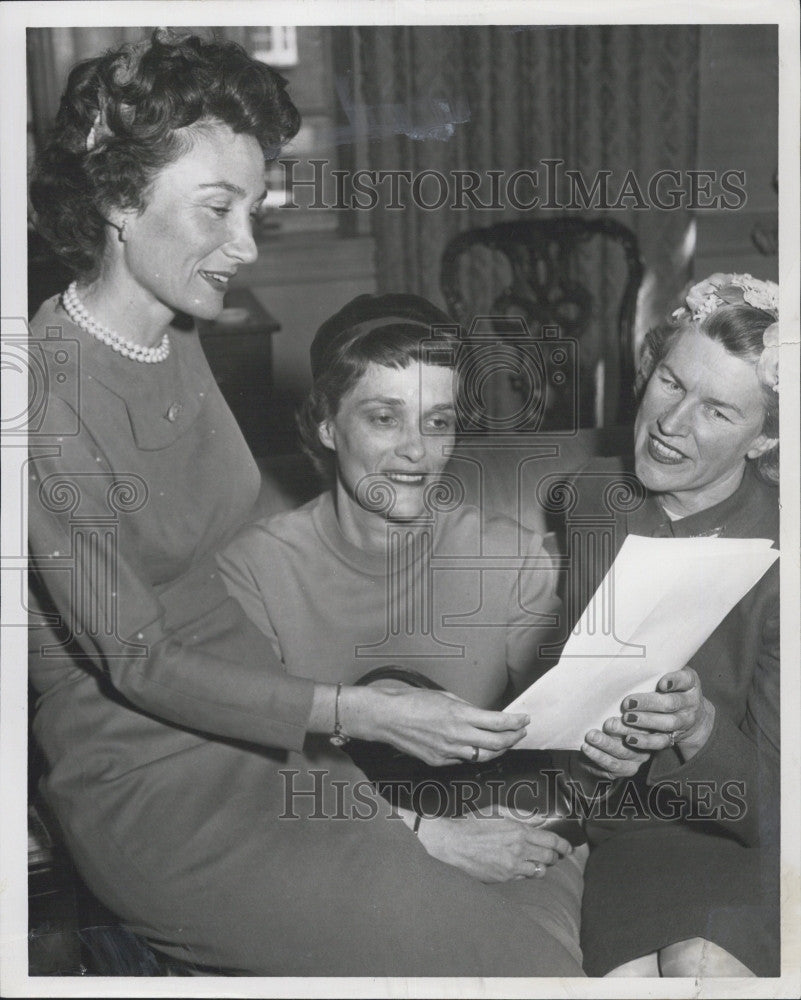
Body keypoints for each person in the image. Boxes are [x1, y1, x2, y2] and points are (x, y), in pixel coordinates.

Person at [26, 31, 583, 976]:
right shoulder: (38, 398)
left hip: (273, 741)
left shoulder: (176, 329)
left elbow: (223, 575)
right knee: (510, 968)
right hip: (159, 791)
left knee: (537, 905)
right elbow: (145, 663)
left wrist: (372, 755)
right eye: (216, 209)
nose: (245, 244)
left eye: (255, 206)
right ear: (120, 198)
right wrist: (361, 719)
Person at [217, 293, 586, 962]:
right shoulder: (253, 571)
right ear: (327, 425)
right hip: (323, 846)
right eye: (384, 418)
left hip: (500, 837)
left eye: (437, 421)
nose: (416, 451)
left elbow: (566, 731)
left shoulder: (501, 553)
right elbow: (241, 780)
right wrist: (422, 835)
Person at [568, 274, 780, 976]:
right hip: (630, 836)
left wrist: (694, 732)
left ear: (764, 440)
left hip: (756, 840)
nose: (671, 421)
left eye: (717, 412)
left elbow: (781, 808)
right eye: (669, 382)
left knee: (699, 965)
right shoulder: (590, 499)